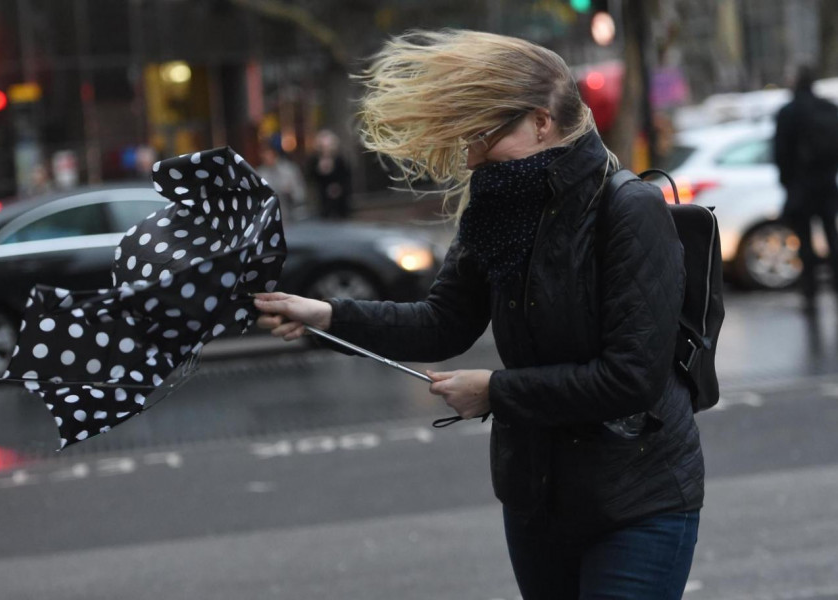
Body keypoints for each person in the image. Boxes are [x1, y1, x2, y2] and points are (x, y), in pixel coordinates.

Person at [254, 30, 702, 599]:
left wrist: (496, 391)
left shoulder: (628, 209)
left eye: (482, 135)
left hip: (639, 496)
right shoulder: (494, 209)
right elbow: (442, 322)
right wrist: (325, 314)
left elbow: (632, 378)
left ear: (541, 122)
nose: (470, 156)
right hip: (537, 498)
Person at [774, 65, 838, 311]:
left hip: (800, 187)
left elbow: (781, 153)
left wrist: (787, 182)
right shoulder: (828, 108)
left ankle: (809, 292)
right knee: (831, 236)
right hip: (826, 184)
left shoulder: (788, 112)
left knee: (804, 240)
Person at [256, 133, 309, 221]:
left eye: (269, 153)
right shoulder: (259, 173)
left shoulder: (289, 170)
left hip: (291, 215)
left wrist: (290, 191)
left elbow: (300, 193)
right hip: (269, 216)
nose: (267, 157)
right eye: (264, 154)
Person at [307, 129, 352, 219]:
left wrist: (338, 187)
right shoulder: (315, 160)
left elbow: (346, 176)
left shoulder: (340, 159)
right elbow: (311, 177)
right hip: (323, 199)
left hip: (340, 200)